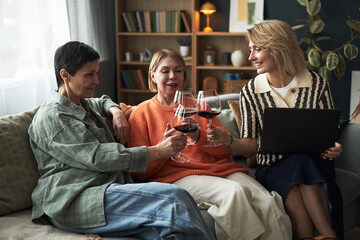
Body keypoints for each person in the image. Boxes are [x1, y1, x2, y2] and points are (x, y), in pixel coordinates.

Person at [27, 41, 215, 240]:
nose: (97, 81)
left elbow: (102, 100)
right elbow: (98, 157)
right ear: (65, 75)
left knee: (173, 231)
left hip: (107, 189)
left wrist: (115, 110)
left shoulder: (80, 102)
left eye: (96, 73)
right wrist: (158, 151)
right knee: (176, 198)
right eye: (89, 75)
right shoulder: (55, 117)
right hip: (77, 199)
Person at [128, 48, 292, 240]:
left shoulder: (200, 106)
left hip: (219, 169)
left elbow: (224, 154)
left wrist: (199, 136)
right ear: (153, 76)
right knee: (234, 193)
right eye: (165, 71)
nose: (172, 76)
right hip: (177, 176)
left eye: (178, 70)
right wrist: (163, 151)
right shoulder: (140, 114)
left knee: (269, 203)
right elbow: (138, 171)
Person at [206, 20, 344, 240]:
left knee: (301, 163)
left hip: (314, 163)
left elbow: (327, 132)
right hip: (273, 166)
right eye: (250, 49)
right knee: (296, 173)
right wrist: (229, 139)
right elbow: (251, 146)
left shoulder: (317, 84)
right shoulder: (250, 91)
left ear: (279, 47)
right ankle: (329, 236)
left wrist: (334, 146)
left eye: (257, 49)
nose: (251, 56)